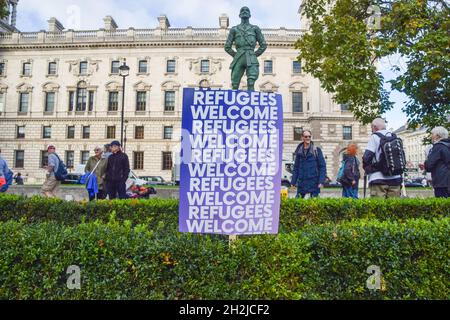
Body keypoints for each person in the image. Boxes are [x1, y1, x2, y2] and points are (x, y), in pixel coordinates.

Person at [224, 6, 267, 91]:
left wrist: (254, 54)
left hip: (251, 57)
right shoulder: (234, 29)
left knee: (251, 82)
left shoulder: (255, 28)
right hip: (239, 57)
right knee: (234, 83)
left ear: (250, 15)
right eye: (242, 10)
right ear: (239, 15)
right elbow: (227, 47)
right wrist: (235, 55)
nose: (244, 11)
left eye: (247, 10)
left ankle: (252, 101)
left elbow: (263, 45)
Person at [363, 118, 403, 198]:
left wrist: (369, 169)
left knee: (378, 208)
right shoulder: (394, 136)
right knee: (394, 208)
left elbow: (367, 157)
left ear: (374, 127)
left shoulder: (374, 137)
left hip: (378, 179)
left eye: (371, 127)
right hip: (396, 178)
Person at [291, 130, 327, 198]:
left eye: (309, 136)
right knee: (297, 203)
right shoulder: (299, 151)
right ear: (302, 138)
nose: (308, 138)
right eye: (306, 136)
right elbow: (296, 168)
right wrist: (293, 182)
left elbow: (322, 167)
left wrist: (321, 181)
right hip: (302, 183)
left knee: (314, 205)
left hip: (314, 182)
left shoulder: (316, 150)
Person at [420, 127, 450, 198]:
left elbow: (429, 165)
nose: (431, 136)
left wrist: (425, 163)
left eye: (432, 134)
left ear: (438, 136)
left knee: (442, 205)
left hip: (442, 182)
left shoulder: (438, 147)